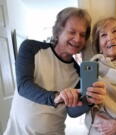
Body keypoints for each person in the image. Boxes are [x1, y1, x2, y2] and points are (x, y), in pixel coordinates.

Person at [3, 7, 106, 135]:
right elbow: (23, 85)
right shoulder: (31, 48)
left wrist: (89, 101)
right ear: (58, 31)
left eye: (82, 35)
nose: (78, 39)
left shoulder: (79, 73)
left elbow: (72, 111)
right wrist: (56, 97)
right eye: (72, 32)